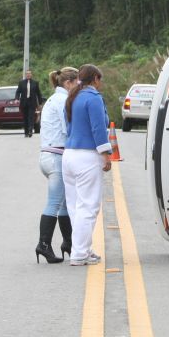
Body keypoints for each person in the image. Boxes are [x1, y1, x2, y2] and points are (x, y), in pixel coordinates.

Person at [62, 64, 112, 266]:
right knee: (88, 207)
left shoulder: (72, 97)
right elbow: (99, 128)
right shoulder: (93, 98)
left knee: (76, 207)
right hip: (87, 156)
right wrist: (107, 154)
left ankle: (81, 248)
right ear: (96, 79)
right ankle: (80, 253)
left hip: (69, 155)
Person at [35, 67, 79, 264]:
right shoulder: (63, 101)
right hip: (56, 157)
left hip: (47, 155)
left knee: (63, 204)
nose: (79, 87)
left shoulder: (53, 99)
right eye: (77, 83)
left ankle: (68, 243)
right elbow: (67, 129)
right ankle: (43, 244)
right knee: (55, 203)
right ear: (68, 83)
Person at [15, 70, 43, 137]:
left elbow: (38, 93)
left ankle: (30, 130)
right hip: (24, 102)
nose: (28, 75)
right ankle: (26, 132)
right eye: (27, 74)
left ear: (31, 75)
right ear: (25, 75)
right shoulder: (21, 83)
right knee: (25, 117)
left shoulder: (35, 83)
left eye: (29, 74)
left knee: (31, 117)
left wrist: (40, 103)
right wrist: (17, 98)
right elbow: (18, 92)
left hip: (32, 103)